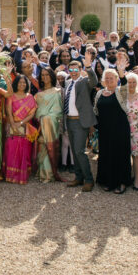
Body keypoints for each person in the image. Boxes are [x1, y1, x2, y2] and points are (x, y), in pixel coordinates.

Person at [61, 49, 98, 192]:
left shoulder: (84, 82)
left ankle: (89, 179)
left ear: (80, 70)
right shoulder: (68, 81)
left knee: (79, 151)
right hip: (69, 120)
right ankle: (78, 177)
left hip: (80, 122)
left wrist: (89, 67)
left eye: (76, 69)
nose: (73, 72)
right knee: (74, 151)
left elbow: (94, 81)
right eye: (71, 69)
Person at [94, 69, 132, 193]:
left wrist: (121, 72)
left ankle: (122, 182)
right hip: (105, 129)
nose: (109, 80)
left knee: (120, 154)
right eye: (107, 78)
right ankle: (108, 181)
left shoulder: (120, 91)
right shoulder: (100, 93)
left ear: (117, 79)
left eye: (112, 78)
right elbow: (96, 110)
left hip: (119, 128)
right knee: (106, 154)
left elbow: (125, 85)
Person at [3, 75, 37, 184]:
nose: (22, 85)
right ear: (16, 83)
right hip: (12, 125)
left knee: (25, 150)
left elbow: (32, 113)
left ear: (27, 84)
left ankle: (22, 175)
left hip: (25, 126)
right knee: (11, 149)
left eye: (24, 83)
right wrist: (13, 124)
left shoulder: (30, 97)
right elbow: (8, 111)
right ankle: (11, 175)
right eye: (19, 82)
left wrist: (21, 123)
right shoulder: (11, 96)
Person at [34, 67, 65, 183]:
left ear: (51, 76)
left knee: (49, 146)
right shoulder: (39, 93)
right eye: (42, 75)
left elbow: (58, 111)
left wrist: (45, 118)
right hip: (40, 123)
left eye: (47, 75)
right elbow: (36, 110)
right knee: (42, 145)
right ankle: (42, 172)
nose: (45, 77)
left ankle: (49, 174)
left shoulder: (56, 91)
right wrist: (40, 119)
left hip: (51, 124)